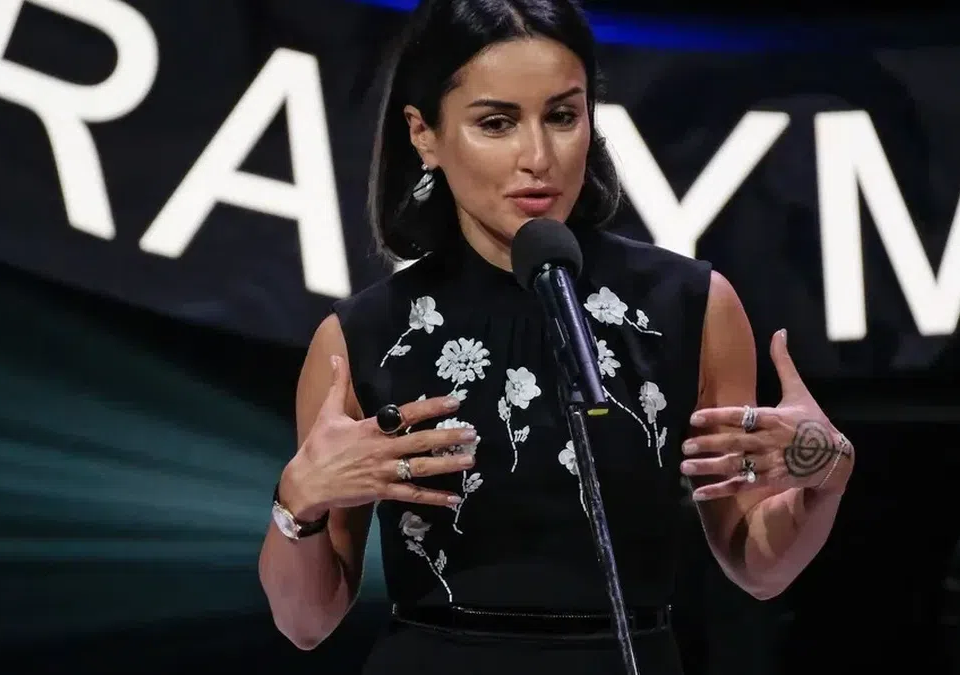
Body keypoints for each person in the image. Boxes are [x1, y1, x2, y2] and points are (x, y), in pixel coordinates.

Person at [257, 1, 855, 672]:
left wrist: (823, 474)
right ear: (424, 134)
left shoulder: (690, 306)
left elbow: (758, 569)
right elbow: (306, 623)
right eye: (496, 123)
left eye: (563, 116)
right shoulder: (361, 337)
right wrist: (298, 503)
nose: (538, 157)